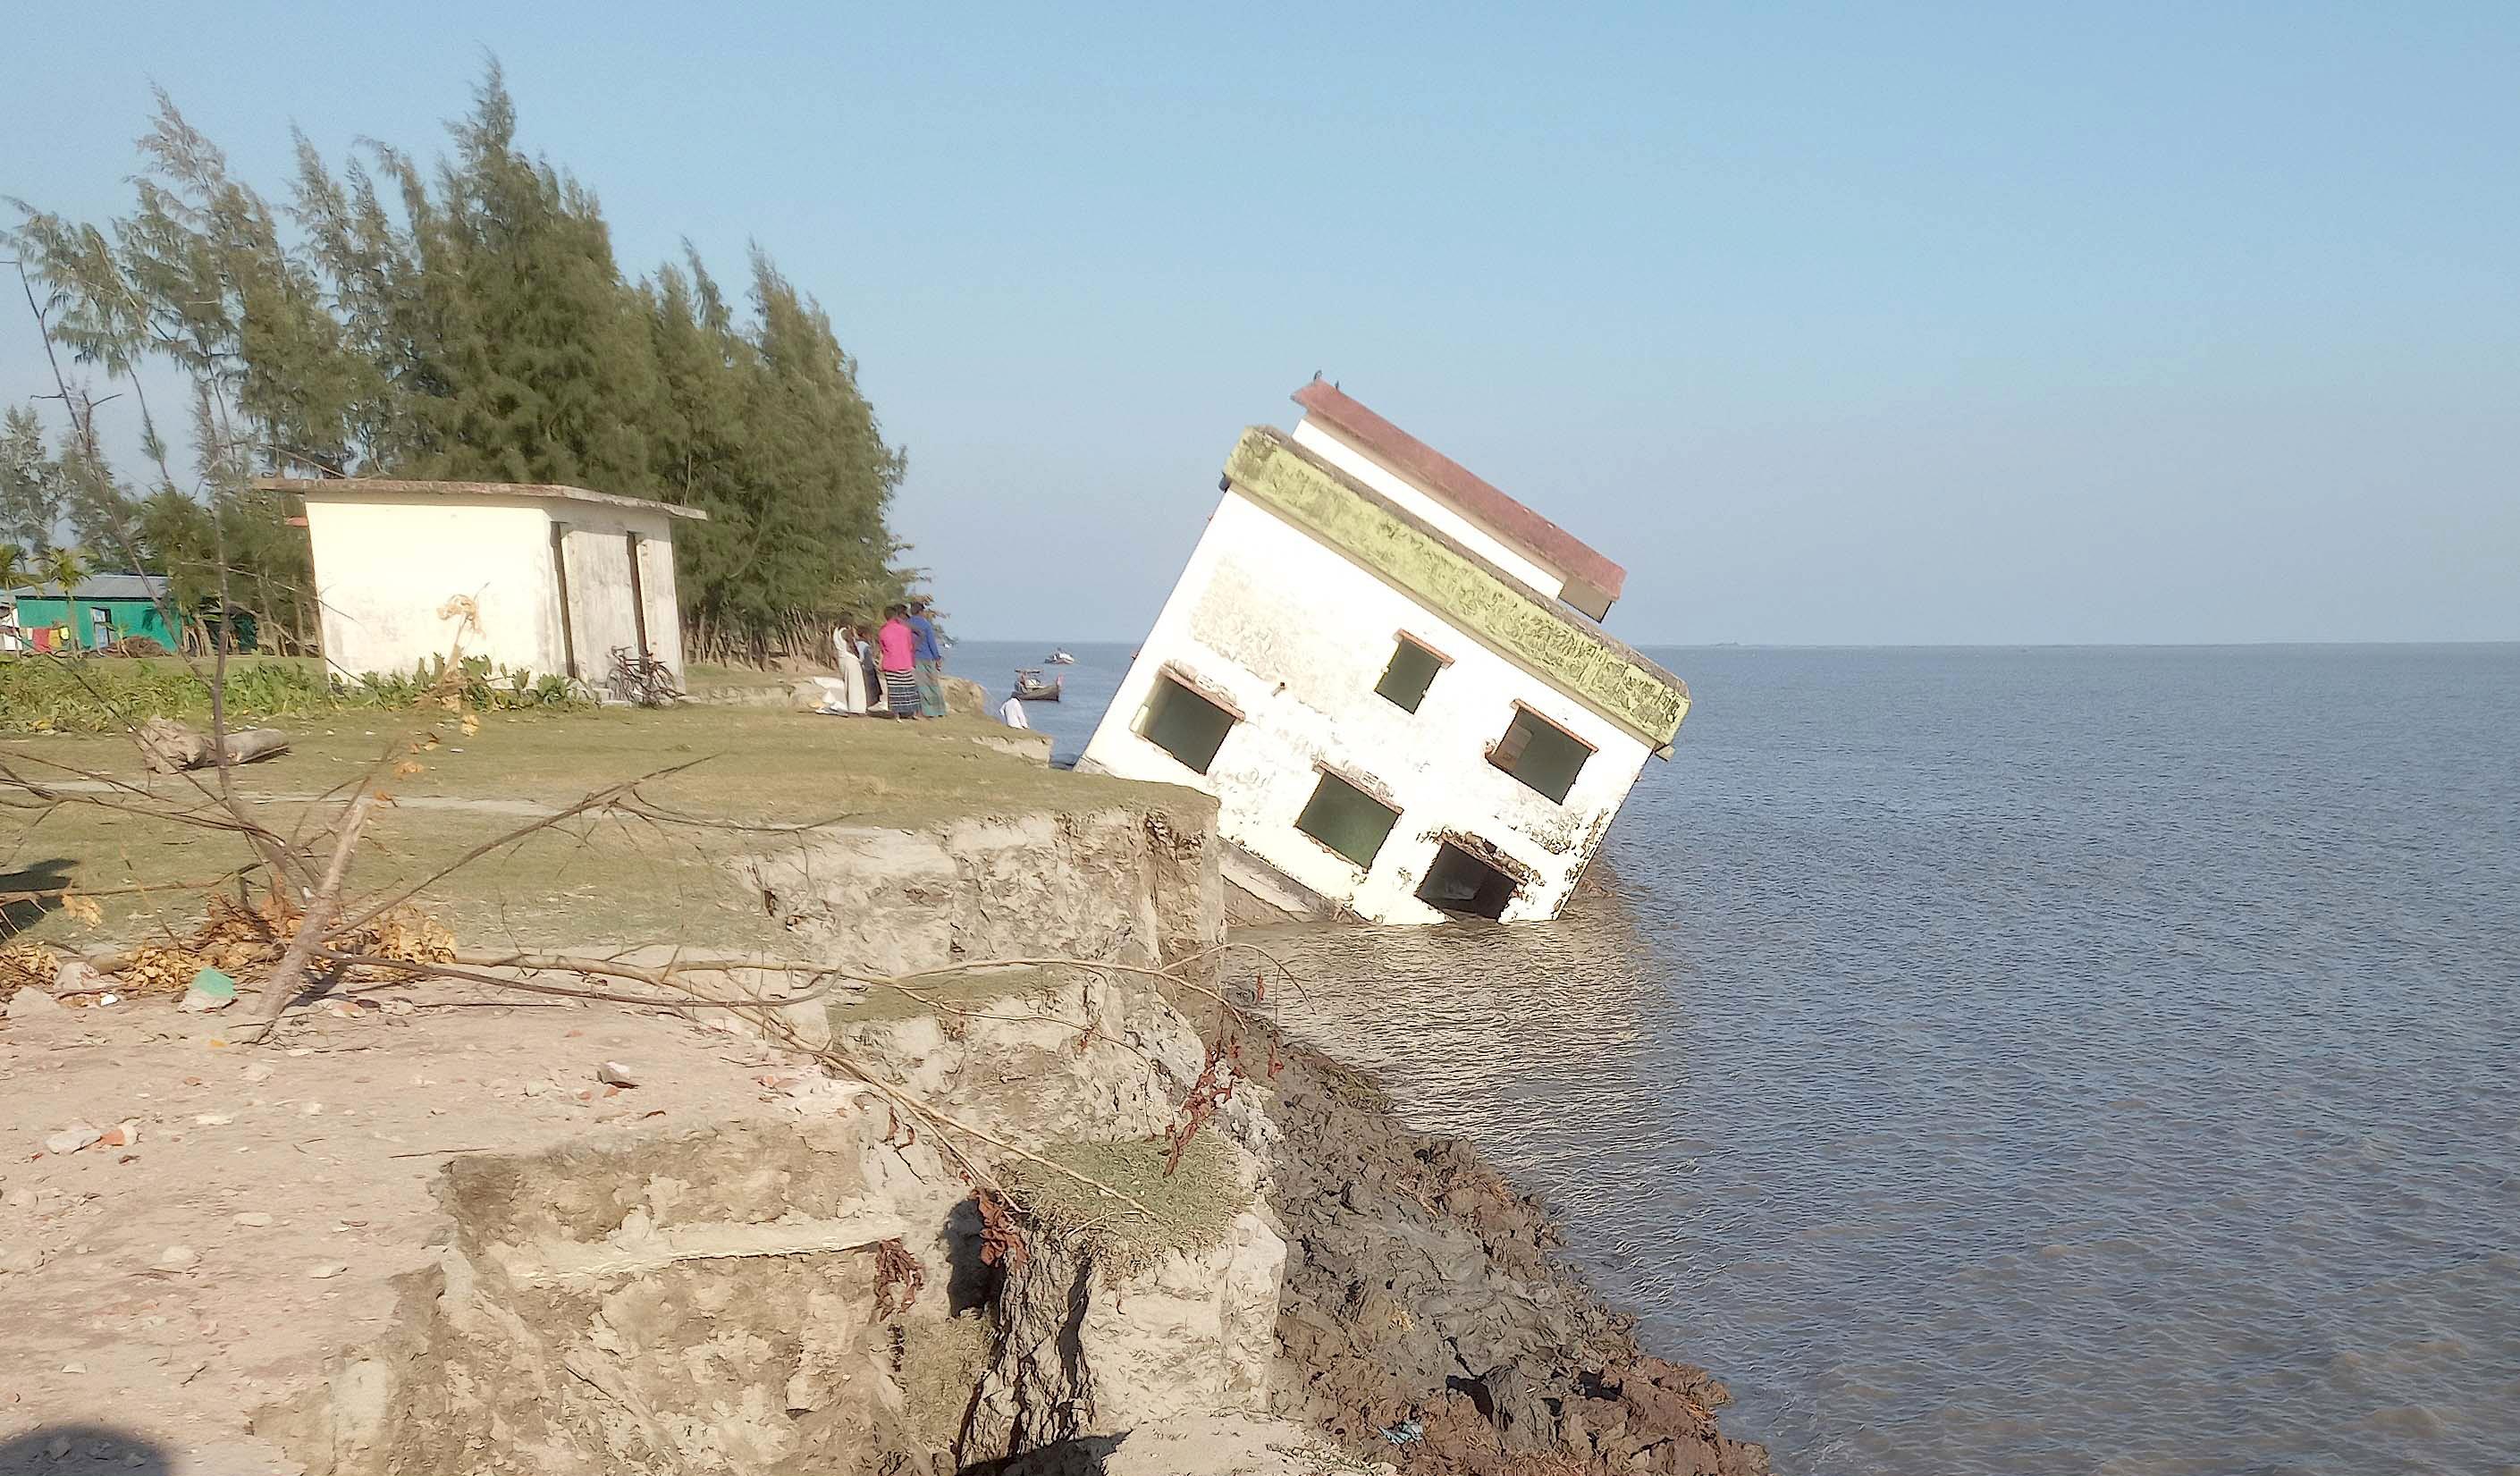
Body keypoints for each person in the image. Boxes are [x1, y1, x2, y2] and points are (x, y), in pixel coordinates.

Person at [877, 604, 921, 718]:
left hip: (890, 663)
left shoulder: (883, 631)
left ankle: (896, 714)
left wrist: (880, 664)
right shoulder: (905, 630)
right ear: (896, 616)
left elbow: (883, 649)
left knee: (895, 690)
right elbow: (910, 646)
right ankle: (913, 713)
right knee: (909, 689)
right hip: (905, 662)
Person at [908, 598, 947, 719]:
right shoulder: (925, 624)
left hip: (915, 657)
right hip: (927, 656)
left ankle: (925, 710)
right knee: (932, 684)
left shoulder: (908, 623)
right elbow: (931, 643)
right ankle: (937, 710)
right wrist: (937, 657)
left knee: (921, 685)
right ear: (921, 612)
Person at [828, 623, 869, 715]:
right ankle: (857, 709)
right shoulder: (846, 632)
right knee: (856, 686)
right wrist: (858, 655)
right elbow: (852, 646)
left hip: (841, 658)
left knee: (848, 685)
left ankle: (852, 707)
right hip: (850, 658)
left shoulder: (836, 632)